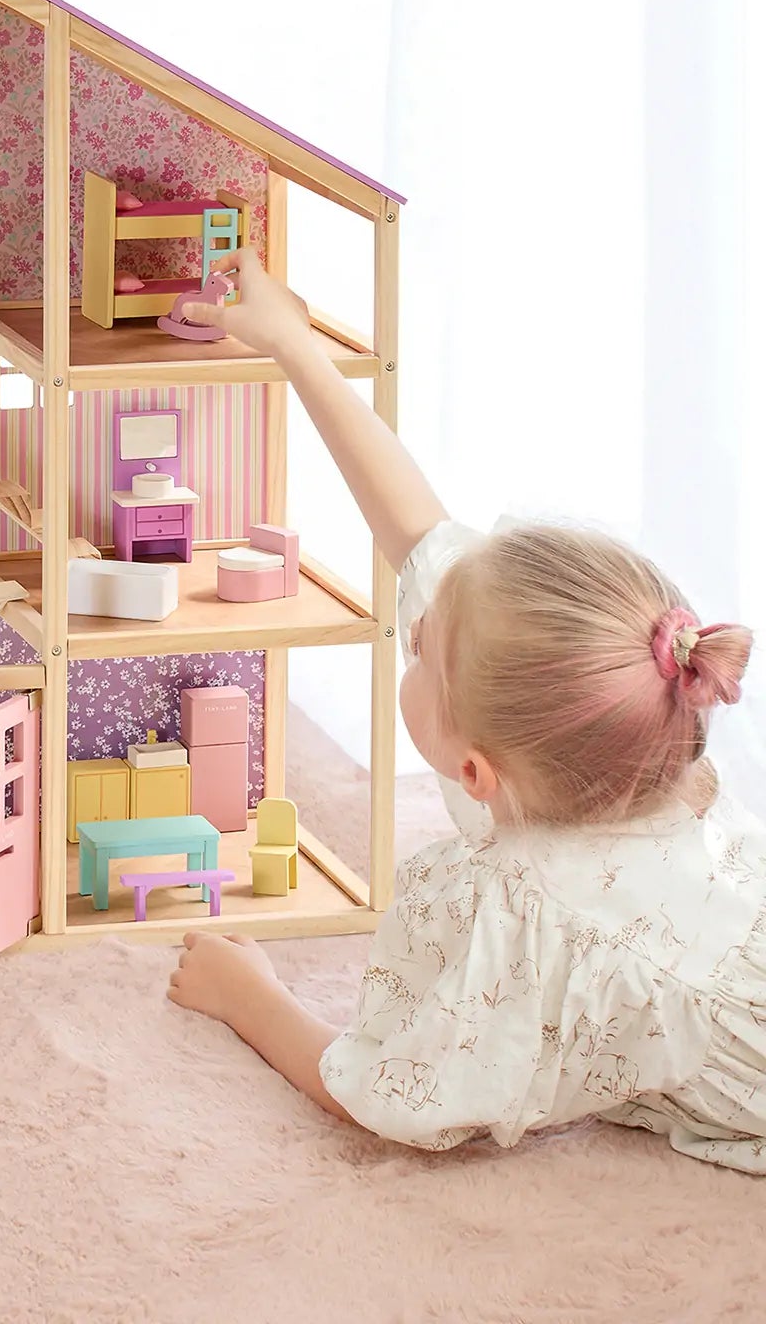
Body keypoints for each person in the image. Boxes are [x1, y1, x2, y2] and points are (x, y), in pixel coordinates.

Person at [169, 248, 763, 1169]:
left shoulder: (521, 918)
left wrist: (249, 993)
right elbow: (421, 539)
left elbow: (391, 1092)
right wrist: (292, 340)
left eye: (417, 654)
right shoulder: (638, 755)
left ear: (477, 771)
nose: (411, 634)